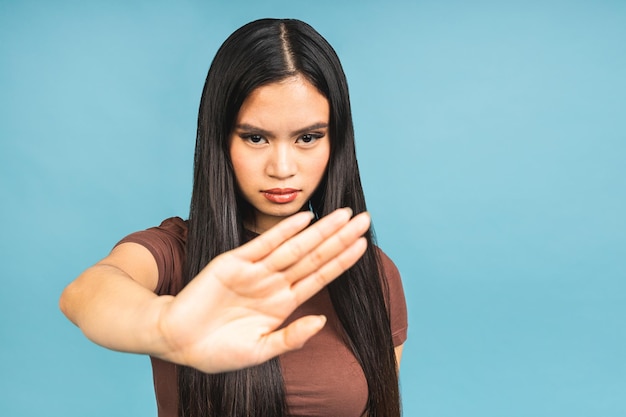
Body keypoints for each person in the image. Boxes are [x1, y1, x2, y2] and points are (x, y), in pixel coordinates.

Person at [60, 18, 408, 417]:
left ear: (337, 140)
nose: (282, 167)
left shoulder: (373, 275)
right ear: (221, 139)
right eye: (256, 137)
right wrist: (165, 326)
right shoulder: (176, 252)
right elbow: (86, 293)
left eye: (308, 138)